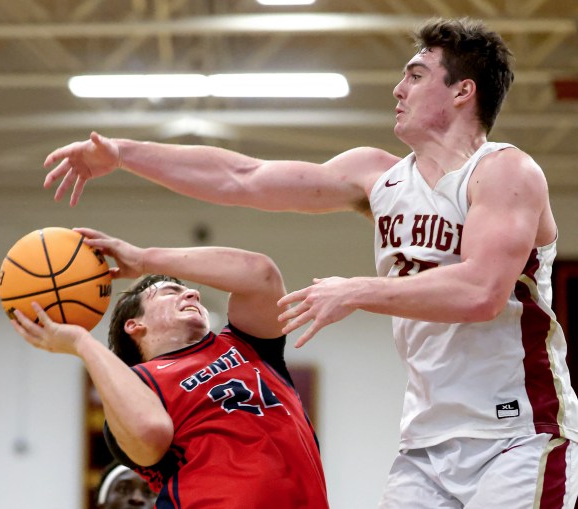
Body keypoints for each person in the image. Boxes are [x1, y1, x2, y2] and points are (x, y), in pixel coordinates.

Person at [41, 17, 578, 508]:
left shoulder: (504, 172)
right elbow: (242, 177)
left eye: (415, 76)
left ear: (463, 91)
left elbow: (482, 292)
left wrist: (354, 291)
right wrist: (122, 153)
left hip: (517, 430)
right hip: (426, 438)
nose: (398, 89)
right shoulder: (377, 176)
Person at [11, 228, 329, 509]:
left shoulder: (250, 345)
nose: (192, 292)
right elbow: (151, 433)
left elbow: (261, 274)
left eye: (187, 290)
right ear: (134, 325)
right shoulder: (140, 387)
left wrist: (146, 259)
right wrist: (82, 343)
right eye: (169, 291)